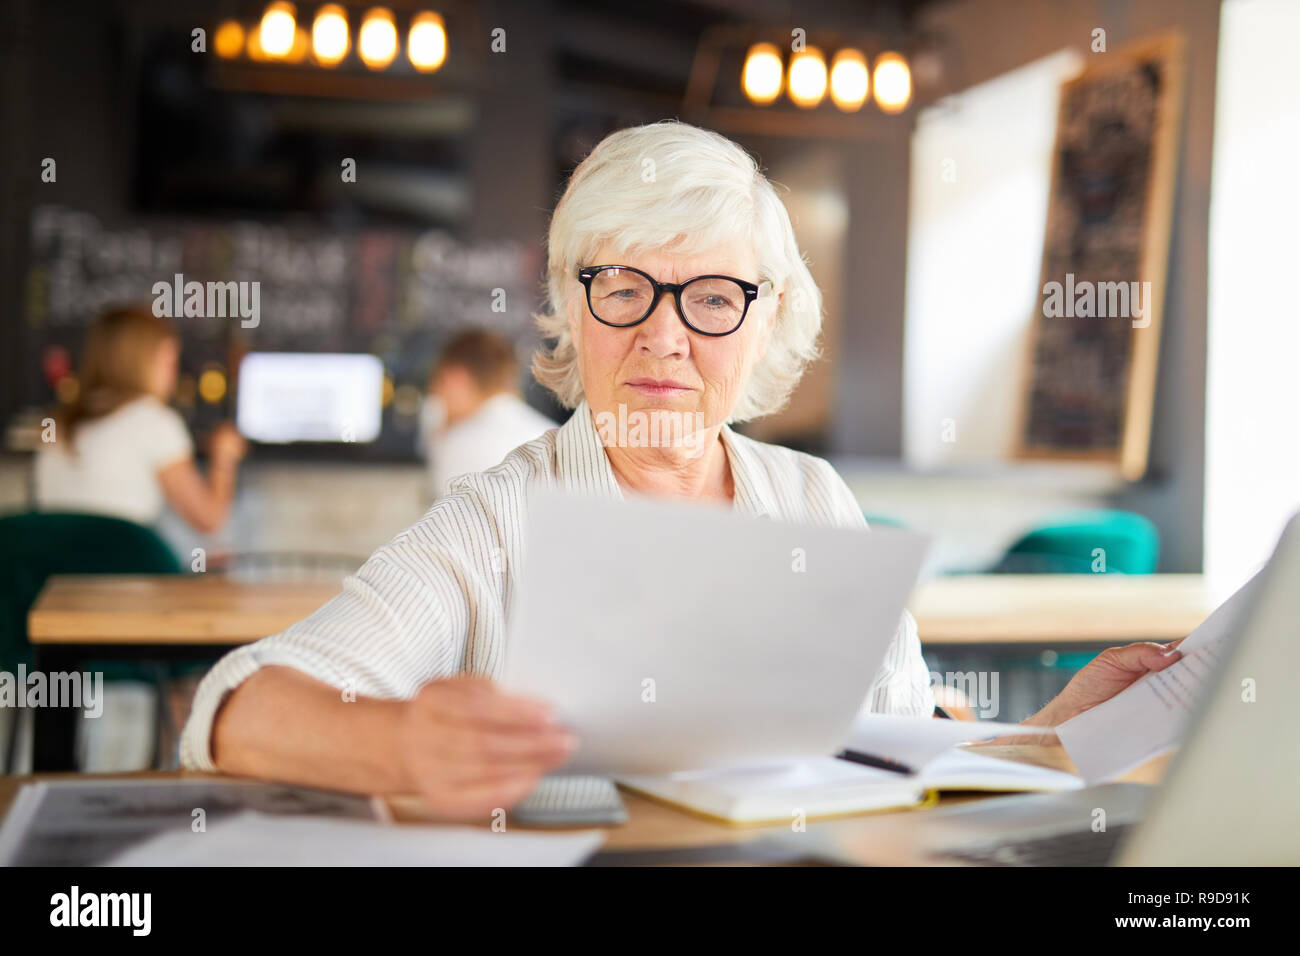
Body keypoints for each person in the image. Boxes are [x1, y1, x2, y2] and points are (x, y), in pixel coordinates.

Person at [181, 121, 1184, 818]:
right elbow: (235, 706)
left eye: (711, 296)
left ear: (764, 324)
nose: (663, 336)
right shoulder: (495, 519)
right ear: (573, 308)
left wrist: (1055, 735)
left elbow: (897, 747)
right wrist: (397, 745)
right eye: (623, 287)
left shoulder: (810, 498)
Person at [35, 308, 246, 535]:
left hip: (57, 568)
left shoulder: (57, 423)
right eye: (170, 361)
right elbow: (208, 521)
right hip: (121, 565)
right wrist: (224, 458)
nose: (173, 375)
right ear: (144, 362)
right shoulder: (154, 422)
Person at [420, 328, 556, 500]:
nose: (436, 396)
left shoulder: (460, 446)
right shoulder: (555, 437)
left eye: (437, 384)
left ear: (454, 379)